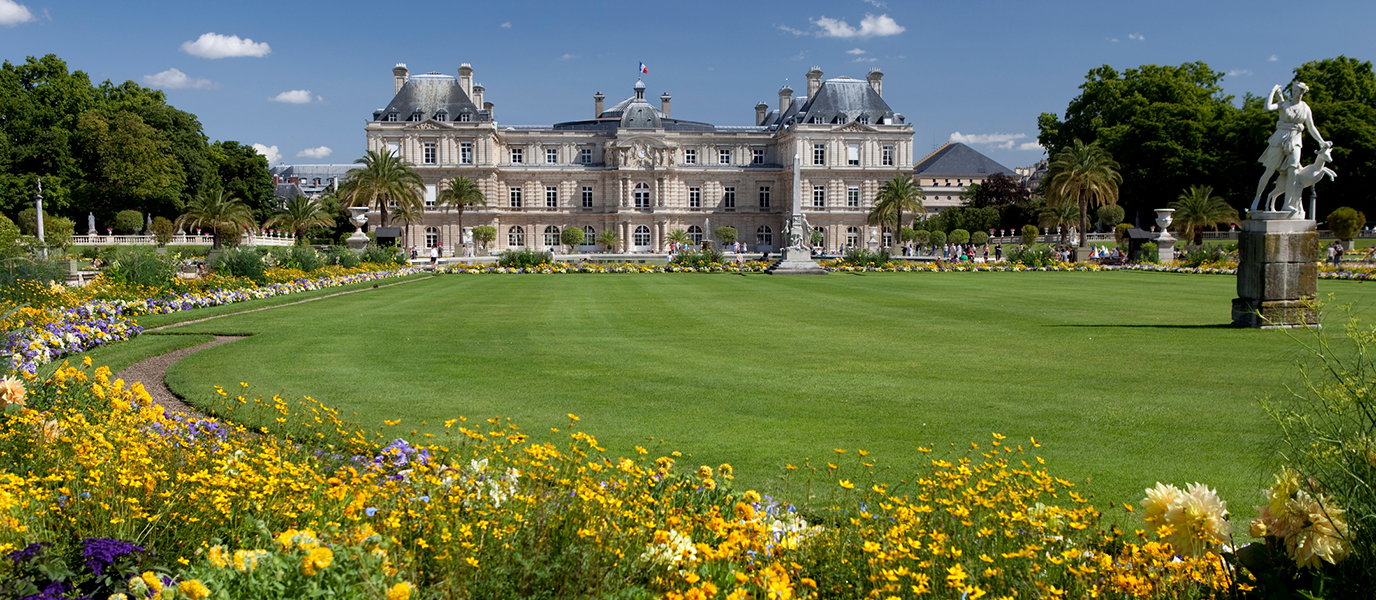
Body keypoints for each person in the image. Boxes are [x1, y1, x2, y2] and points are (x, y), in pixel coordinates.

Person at [1251, 82, 1327, 213]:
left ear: (1302, 92)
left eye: (1296, 90)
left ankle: (1287, 203)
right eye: (1293, 90)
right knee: (1269, 170)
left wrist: (1321, 141)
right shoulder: (1284, 104)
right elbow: (1267, 107)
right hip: (1280, 138)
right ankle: (1257, 199)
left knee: (1293, 172)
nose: (1293, 93)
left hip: (1296, 139)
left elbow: (1311, 127)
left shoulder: (1305, 108)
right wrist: (1273, 91)